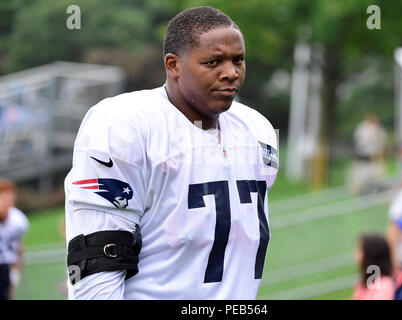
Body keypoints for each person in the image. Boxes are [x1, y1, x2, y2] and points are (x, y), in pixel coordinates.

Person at [64, 6, 279, 300]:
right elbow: (97, 266)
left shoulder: (257, 130)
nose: (231, 73)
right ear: (173, 65)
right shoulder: (126, 125)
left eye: (238, 60)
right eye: (213, 62)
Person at [0, 178, 29, 300]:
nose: (11, 199)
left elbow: (20, 247)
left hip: (6, 269)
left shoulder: (18, 219)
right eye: (5, 196)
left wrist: (15, 274)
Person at [349, 114, 387, 194]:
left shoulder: (379, 130)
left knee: (377, 178)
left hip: (374, 159)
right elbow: (361, 141)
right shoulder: (362, 129)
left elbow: (382, 141)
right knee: (359, 180)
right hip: (362, 159)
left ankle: (376, 191)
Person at [352, 233, 395, 300]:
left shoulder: (385, 284)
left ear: (370, 255)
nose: (355, 253)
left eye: (360, 250)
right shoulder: (368, 282)